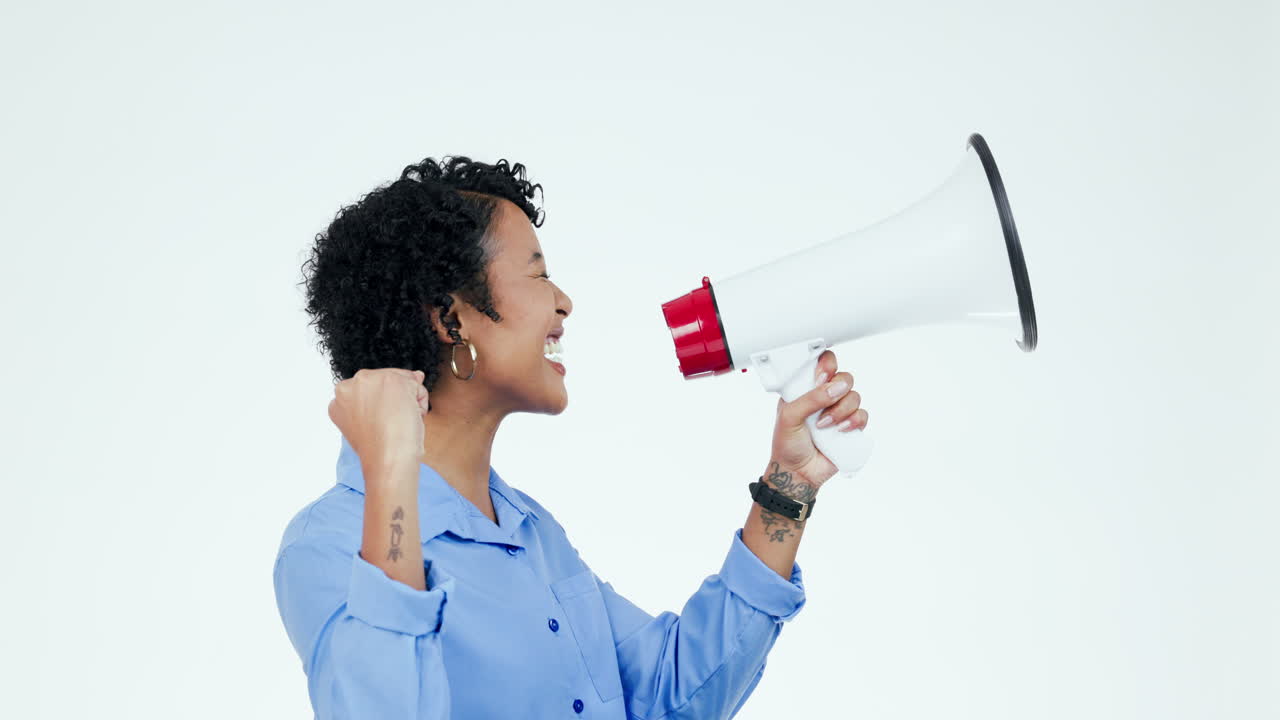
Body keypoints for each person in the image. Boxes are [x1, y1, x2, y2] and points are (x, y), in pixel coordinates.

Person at [273, 157, 869, 719]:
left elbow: (668, 694)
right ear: (450, 318)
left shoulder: (532, 534)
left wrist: (787, 485)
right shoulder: (327, 544)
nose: (564, 302)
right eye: (538, 273)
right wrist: (392, 472)